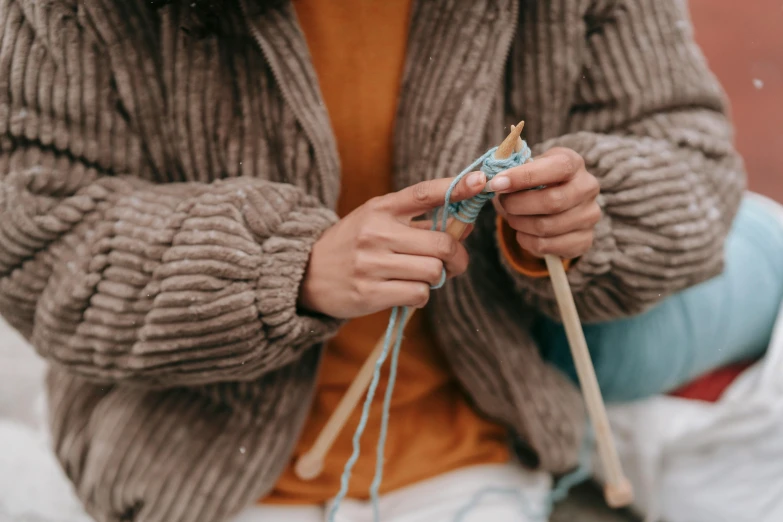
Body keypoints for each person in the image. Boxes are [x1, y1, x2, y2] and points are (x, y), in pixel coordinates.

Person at [0, 0, 766, 521]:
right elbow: (33, 231)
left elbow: (687, 154)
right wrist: (285, 270)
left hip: (479, 445)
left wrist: (590, 211)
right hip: (190, 466)